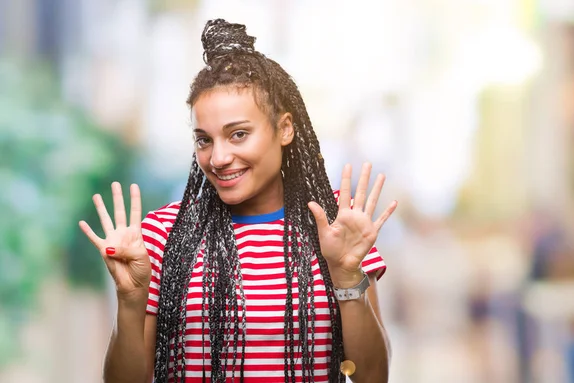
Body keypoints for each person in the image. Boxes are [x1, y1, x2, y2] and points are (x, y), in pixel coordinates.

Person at [79, 19, 397, 383]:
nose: (218, 158)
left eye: (238, 134)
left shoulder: (336, 224)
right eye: (204, 140)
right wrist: (131, 301)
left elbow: (372, 377)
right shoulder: (163, 234)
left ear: (285, 129)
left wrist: (346, 274)